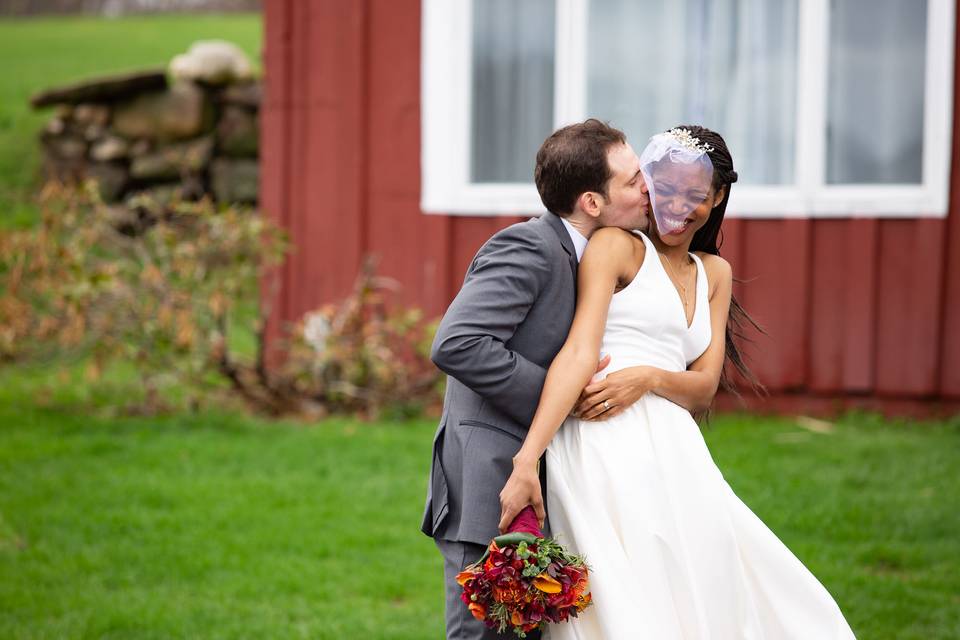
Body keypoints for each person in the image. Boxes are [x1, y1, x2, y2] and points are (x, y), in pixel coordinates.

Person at [498, 126, 857, 639]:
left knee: (718, 583)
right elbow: (579, 351)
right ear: (647, 184)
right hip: (604, 445)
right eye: (664, 190)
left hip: (678, 453)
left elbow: (704, 388)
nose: (677, 207)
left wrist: (645, 378)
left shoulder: (715, 272)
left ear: (718, 197)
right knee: (627, 595)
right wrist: (528, 459)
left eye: (695, 196)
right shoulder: (616, 247)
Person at [421, 119, 650, 639]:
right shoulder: (528, 246)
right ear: (592, 202)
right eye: (634, 178)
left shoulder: (594, 255)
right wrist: (562, 394)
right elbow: (457, 343)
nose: (647, 188)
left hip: (549, 481)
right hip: (492, 483)